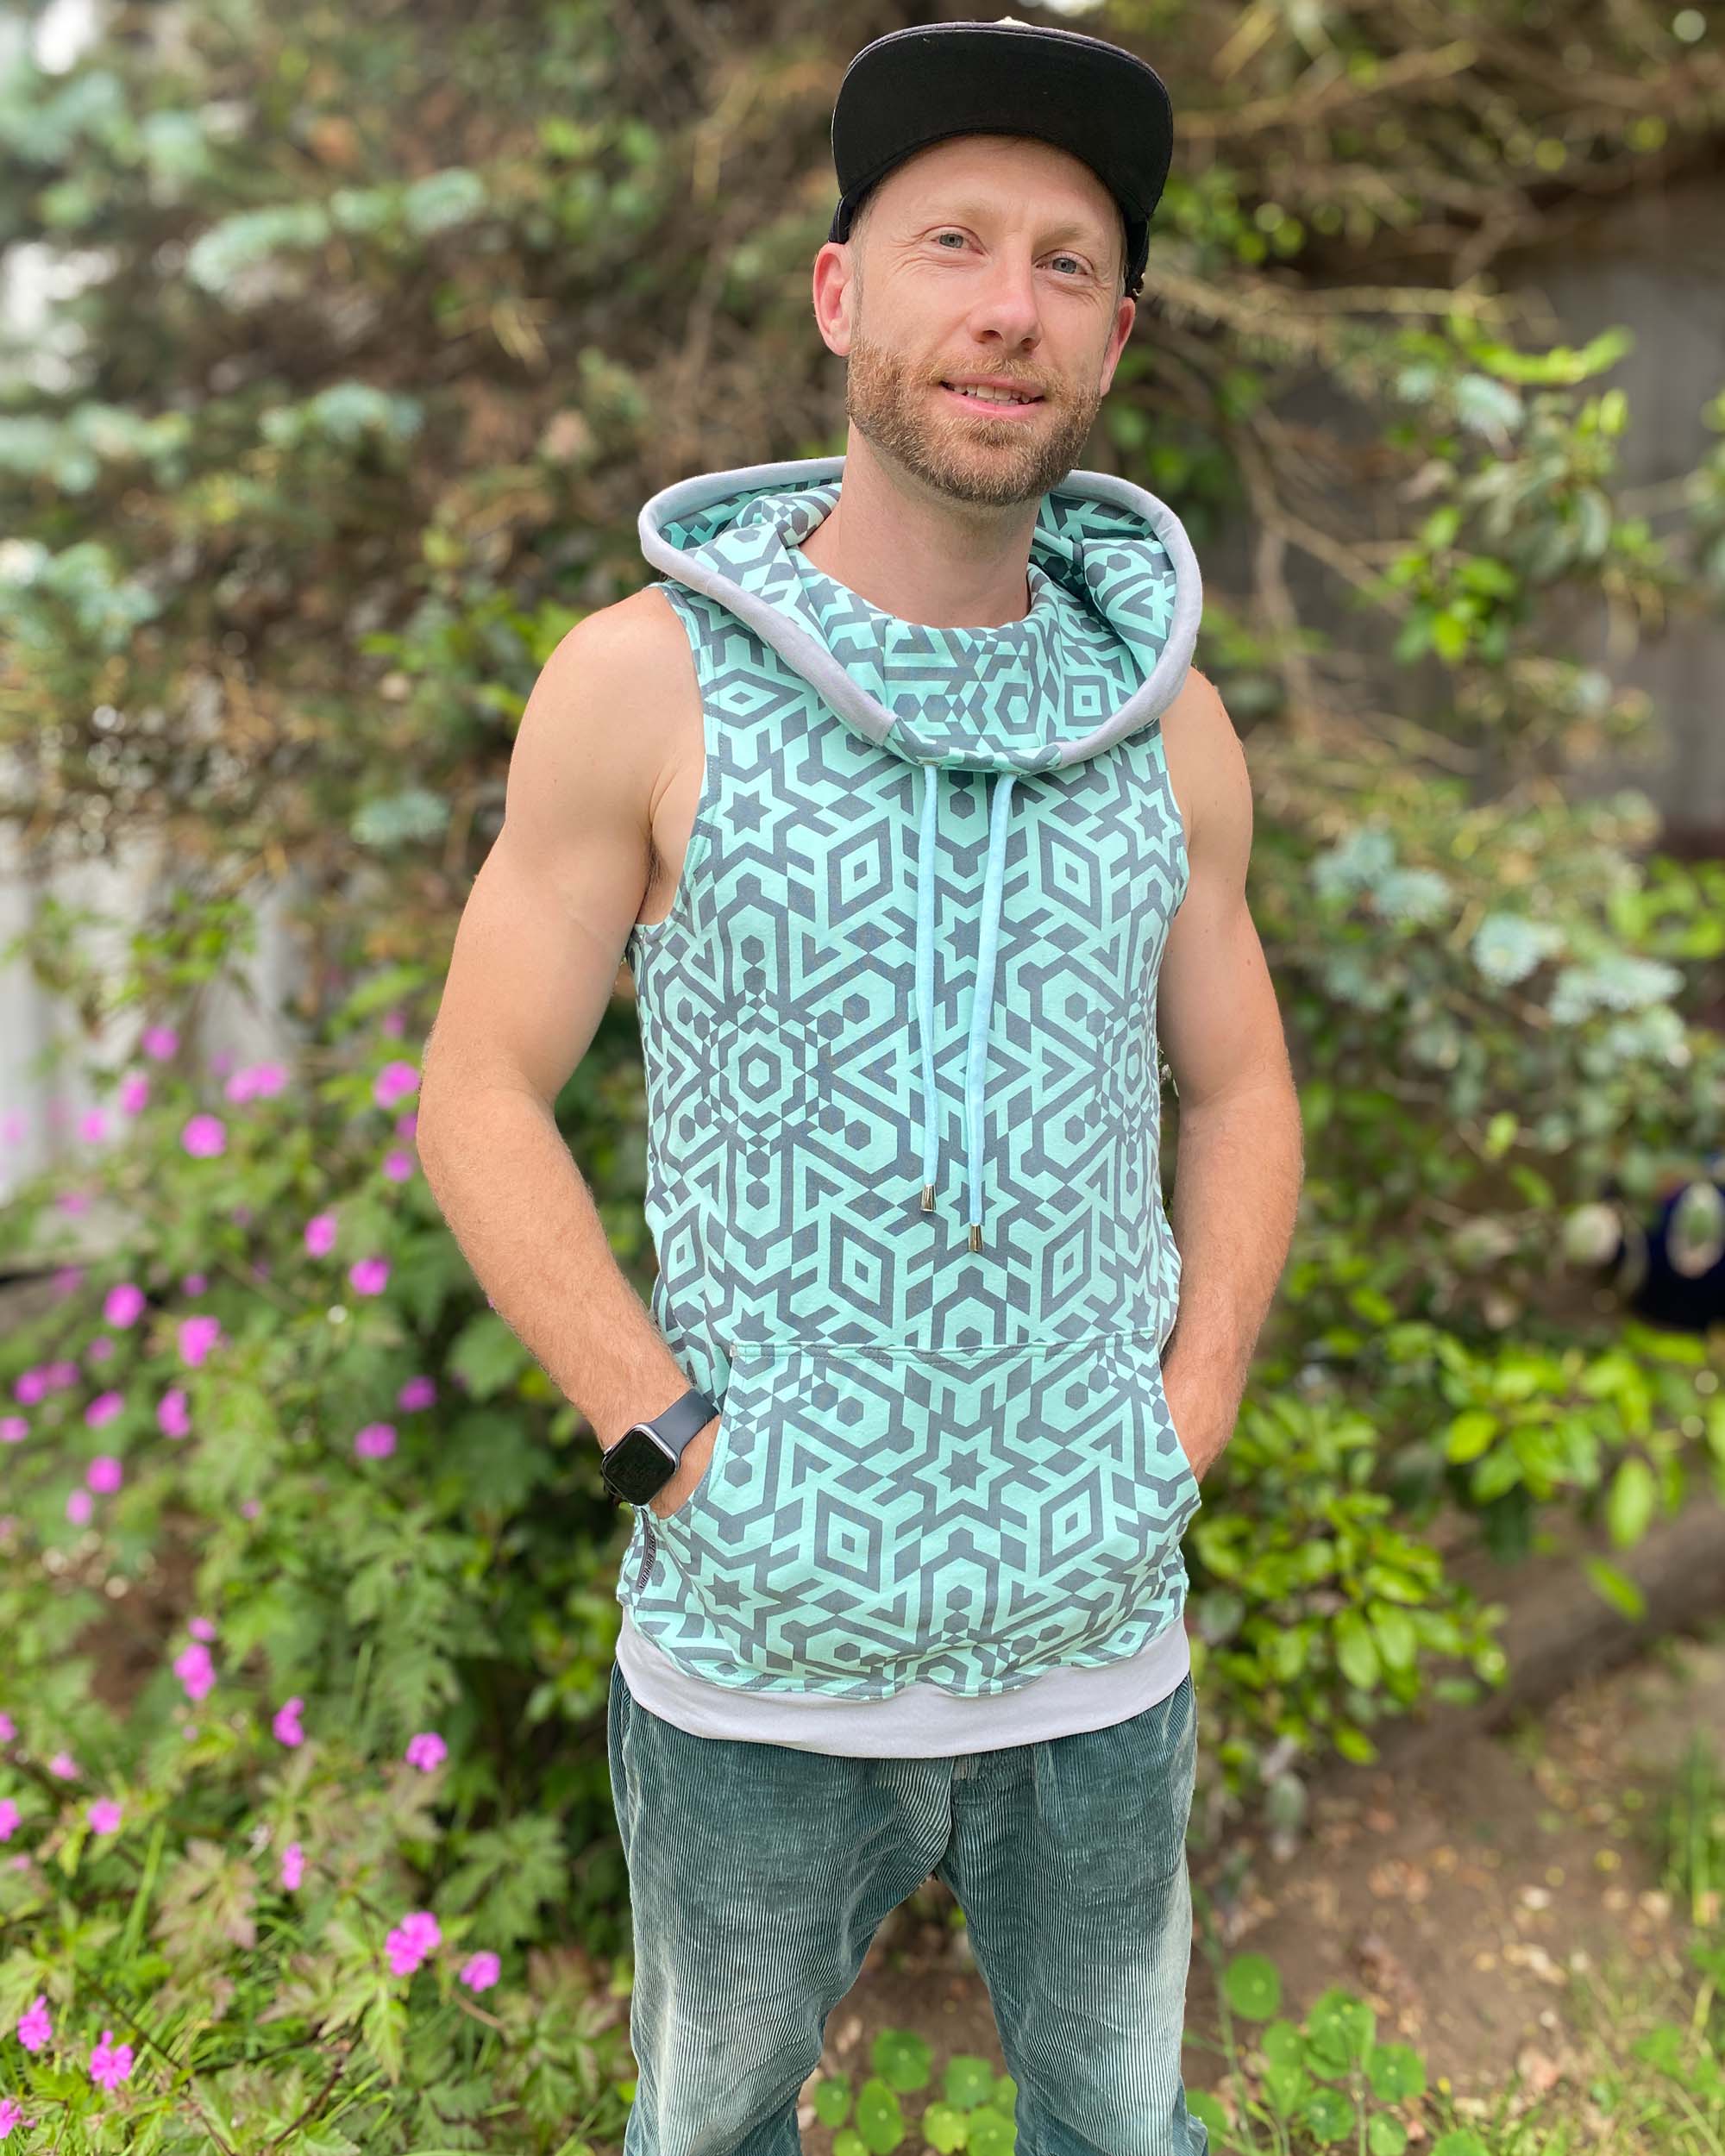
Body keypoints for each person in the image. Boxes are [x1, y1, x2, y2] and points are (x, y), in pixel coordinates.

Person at [417, 16, 1303, 2154]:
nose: (1008, 307)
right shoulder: (642, 684)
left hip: (1096, 1642)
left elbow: (1242, 1086)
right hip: (750, 1653)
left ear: (1113, 338)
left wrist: (1182, 1417)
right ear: (841, 295)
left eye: (1068, 265)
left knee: (1120, 2125)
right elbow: (476, 1090)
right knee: (711, 2127)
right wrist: (670, 1445)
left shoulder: (1169, 725)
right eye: (951, 245)